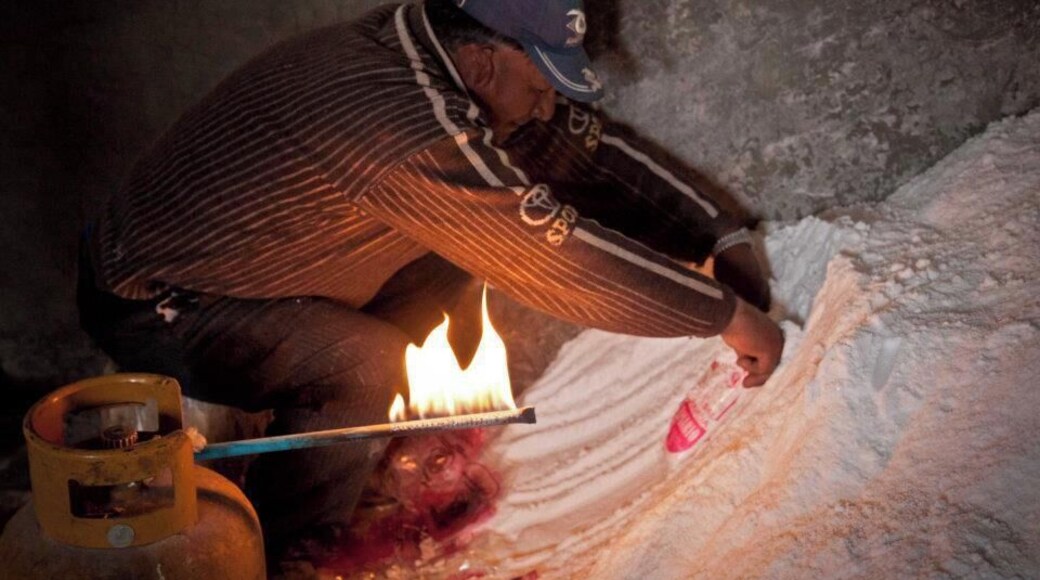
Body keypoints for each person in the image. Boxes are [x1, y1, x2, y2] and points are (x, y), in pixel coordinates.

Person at [78, 0, 783, 561]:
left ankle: (365, 450)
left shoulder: (429, 50)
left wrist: (714, 233)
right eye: (539, 86)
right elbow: (551, 255)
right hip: (159, 302)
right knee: (364, 366)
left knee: (466, 234)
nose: (546, 107)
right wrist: (722, 314)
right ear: (480, 62)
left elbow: (576, 144)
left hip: (260, 270)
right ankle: (278, 544)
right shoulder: (396, 122)